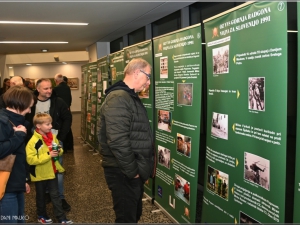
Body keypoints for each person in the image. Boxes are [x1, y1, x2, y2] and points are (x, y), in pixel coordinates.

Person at [98, 58, 156, 223]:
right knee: (126, 218)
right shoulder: (119, 98)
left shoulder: (128, 97)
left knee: (133, 215)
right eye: (148, 76)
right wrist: (133, 172)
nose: (149, 81)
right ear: (137, 72)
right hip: (123, 172)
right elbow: (117, 140)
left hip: (129, 171)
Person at [25, 78, 72, 212]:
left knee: (58, 170)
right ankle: (46, 194)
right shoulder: (32, 103)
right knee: (41, 168)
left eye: (50, 88)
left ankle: (60, 197)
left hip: (54, 142)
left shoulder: (58, 102)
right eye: (45, 88)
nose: (49, 90)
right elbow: (27, 120)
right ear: (38, 89)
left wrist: (61, 137)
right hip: (38, 143)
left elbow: (67, 118)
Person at [26, 113, 73, 224]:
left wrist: (59, 150)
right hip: (40, 174)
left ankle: (61, 218)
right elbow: (31, 159)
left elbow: (58, 150)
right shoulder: (33, 142)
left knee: (55, 195)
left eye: (50, 123)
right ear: (38, 126)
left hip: (52, 172)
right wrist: (49, 154)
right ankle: (41, 215)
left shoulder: (53, 137)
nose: (51, 126)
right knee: (41, 196)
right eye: (47, 124)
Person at [0, 86, 34, 223]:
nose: (30, 110)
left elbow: (19, 157)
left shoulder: (16, 121)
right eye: (29, 107)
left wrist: (23, 180)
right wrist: (19, 136)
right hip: (6, 187)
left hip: (15, 183)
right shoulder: (2, 123)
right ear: (21, 104)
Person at [53, 74, 73, 152]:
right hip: (67, 109)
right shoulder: (67, 87)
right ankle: (70, 146)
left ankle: (63, 146)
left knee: (61, 127)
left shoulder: (56, 89)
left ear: (56, 81)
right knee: (67, 127)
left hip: (60, 110)